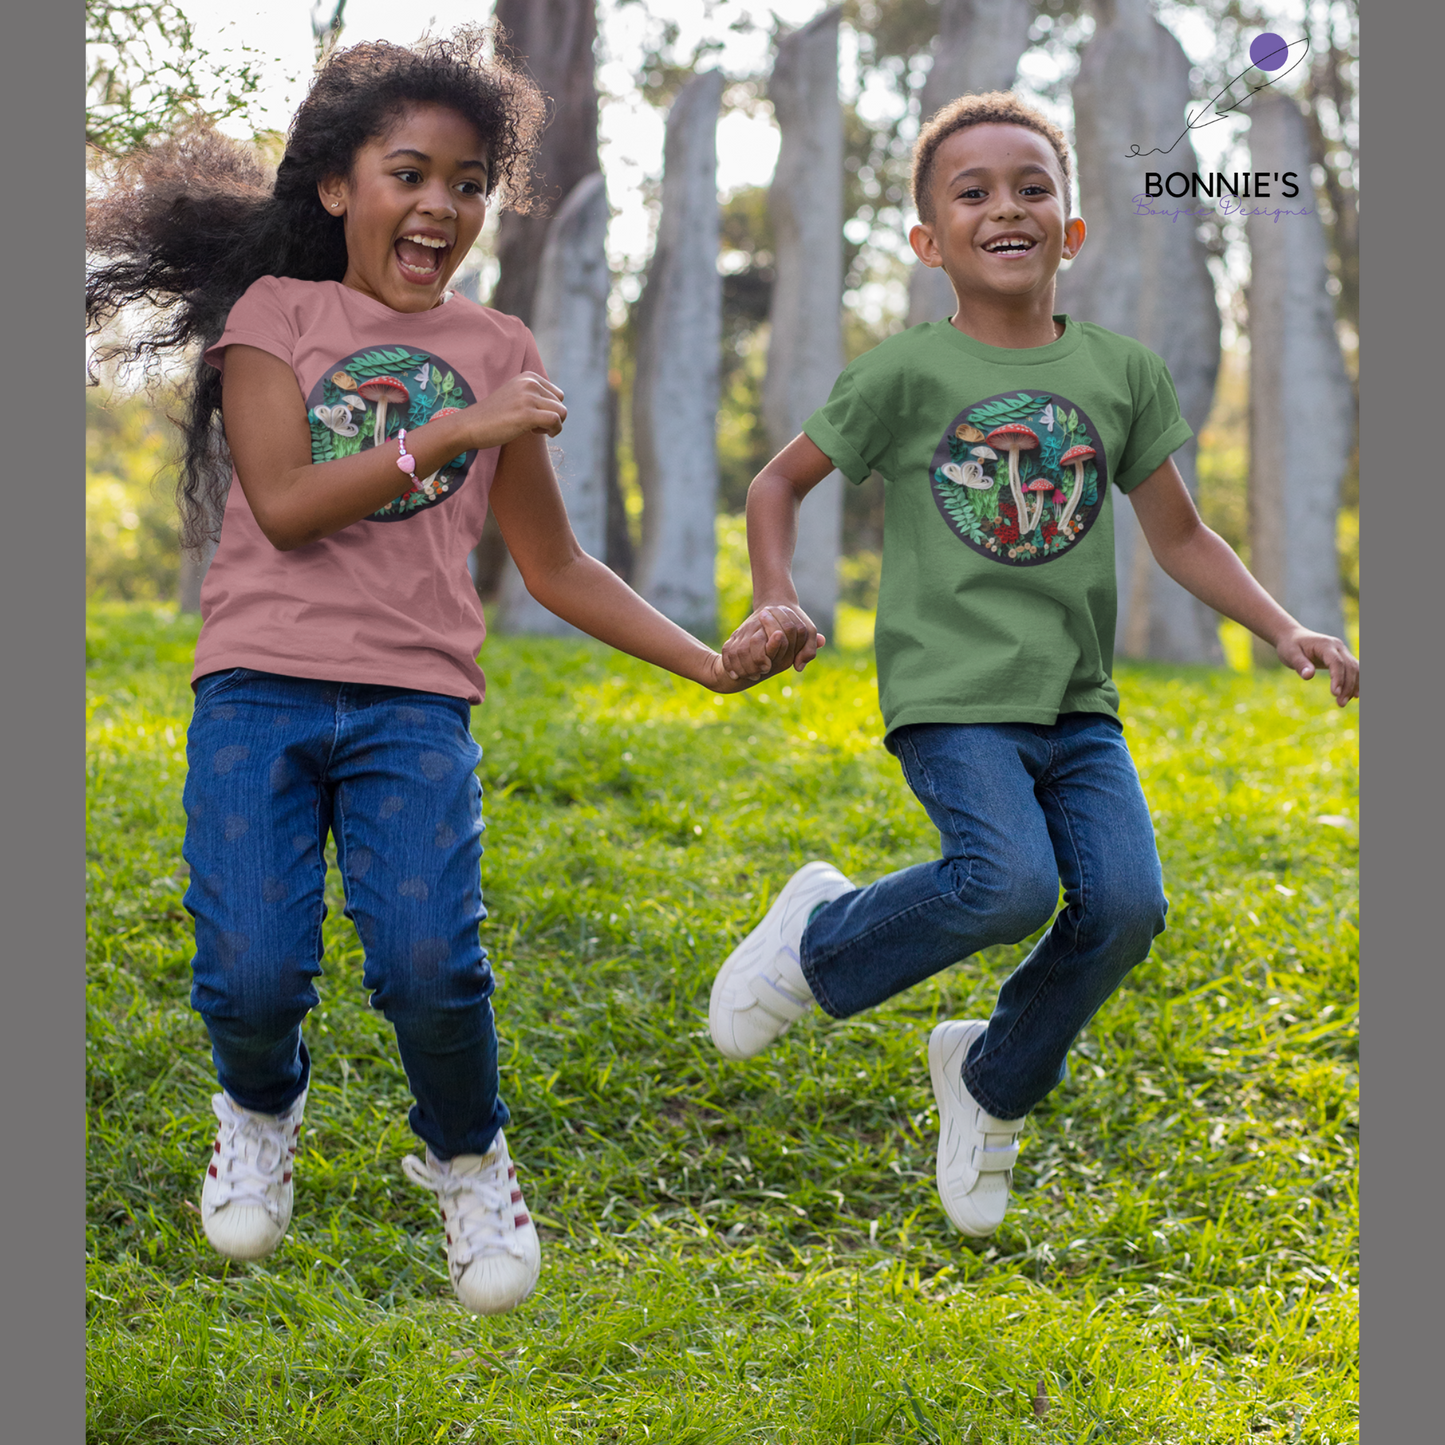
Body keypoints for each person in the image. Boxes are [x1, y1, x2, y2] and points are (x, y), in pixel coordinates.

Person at [85, 30, 782, 1317]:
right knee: (249, 972)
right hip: (258, 688)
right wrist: (451, 424)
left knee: (426, 963)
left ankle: (468, 1157)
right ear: (339, 186)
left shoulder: (498, 342)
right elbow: (288, 504)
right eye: (409, 172)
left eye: (467, 183)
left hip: (414, 702)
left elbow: (556, 564)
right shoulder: (275, 317)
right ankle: (258, 1105)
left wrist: (705, 661)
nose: (441, 206)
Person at [709, 93, 1359, 1239]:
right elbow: (776, 483)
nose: (1004, 205)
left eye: (1030, 187)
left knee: (1124, 906)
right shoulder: (902, 374)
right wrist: (775, 595)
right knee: (1005, 883)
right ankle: (815, 938)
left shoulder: (1119, 373)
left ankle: (989, 1075)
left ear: (1070, 228)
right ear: (927, 241)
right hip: (951, 697)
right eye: (971, 192)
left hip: (1075, 705)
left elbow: (1180, 535)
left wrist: (1281, 625)